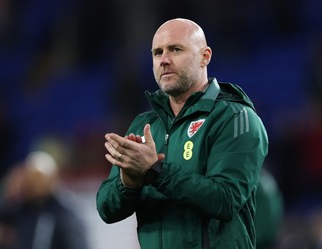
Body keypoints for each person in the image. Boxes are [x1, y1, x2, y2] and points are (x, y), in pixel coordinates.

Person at [96, 18, 269, 249]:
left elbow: (226, 200)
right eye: (157, 53)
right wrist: (129, 183)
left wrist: (154, 171)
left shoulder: (236, 118)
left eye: (175, 49)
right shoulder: (145, 124)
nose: (164, 60)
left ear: (205, 56)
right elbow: (107, 210)